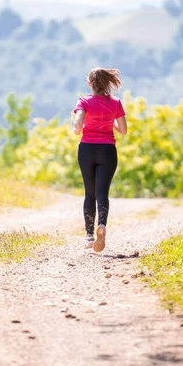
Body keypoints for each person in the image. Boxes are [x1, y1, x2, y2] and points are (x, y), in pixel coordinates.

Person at [73, 67, 127, 252]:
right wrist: (109, 120)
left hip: (87, 149)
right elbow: (123, 130)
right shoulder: (115, 103)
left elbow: (78, 123)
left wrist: (77, 128)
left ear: (90, 84)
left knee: (89, 193)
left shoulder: (84, 102)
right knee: (102, 193)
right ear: (107, 83)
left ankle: (89, 237)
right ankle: (101, 226)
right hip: (107, 150)